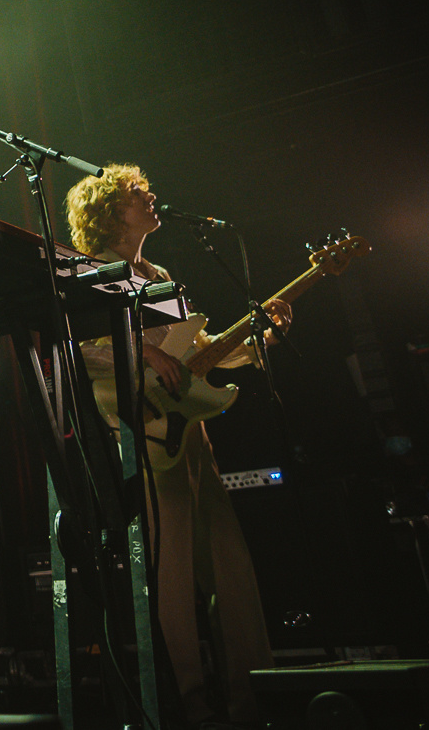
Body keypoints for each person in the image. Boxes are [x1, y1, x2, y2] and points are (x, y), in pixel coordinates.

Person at [65, 163, 287, 728]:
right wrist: (142, 355)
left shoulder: (156, 271)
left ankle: (252, 701)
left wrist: (255, 338)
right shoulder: (90, 274)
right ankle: (184, 706)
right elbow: (77, 350)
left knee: (230, 566)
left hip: (192, 432)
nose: (152, 197)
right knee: (171, 574)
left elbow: (199, 353)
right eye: (141, 193)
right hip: (142, 432)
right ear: (112, 210)